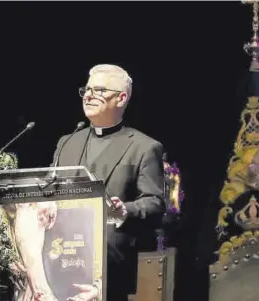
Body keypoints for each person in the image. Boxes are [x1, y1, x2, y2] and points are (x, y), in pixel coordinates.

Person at [51, 64, 166, 301]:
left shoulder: (143, 147)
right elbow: (50, 191)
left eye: (100, 90)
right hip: (59, 257)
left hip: (108, 264)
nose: (90, 95)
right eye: (87, 89)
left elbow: (155, 202)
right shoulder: (67, 142)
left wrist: (126, 210)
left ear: (121, 98)